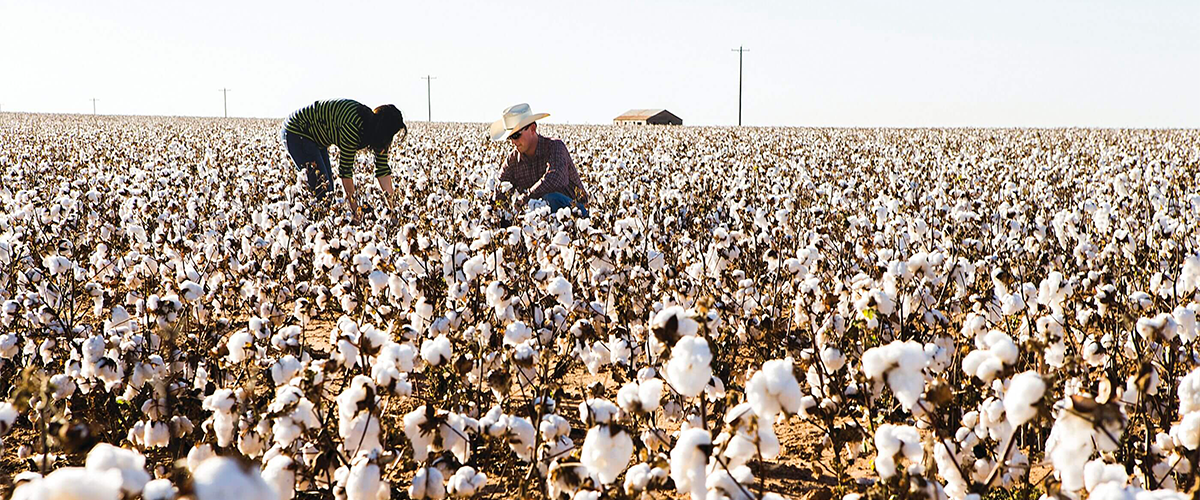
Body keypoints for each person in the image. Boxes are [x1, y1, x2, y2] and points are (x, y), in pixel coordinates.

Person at [282, 99, 406, 219]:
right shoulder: (353, 127)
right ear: (383, 130)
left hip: (314, 137)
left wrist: (392, 210)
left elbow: (382, 169)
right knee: (323, 192)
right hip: (297, 131)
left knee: (326, 188)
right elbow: (345, 172)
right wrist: (356, 212)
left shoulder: (376, 132)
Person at [489, 103, 589, 216]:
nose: (513, 141)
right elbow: (501, 189)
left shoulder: (554, 147)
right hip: (539, 222)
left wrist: (526, 197)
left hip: (576, 214)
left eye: (516, 135)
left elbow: (557, 178)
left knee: (550, 199)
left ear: (532, 128)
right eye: (510, 137)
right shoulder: (512, 161)